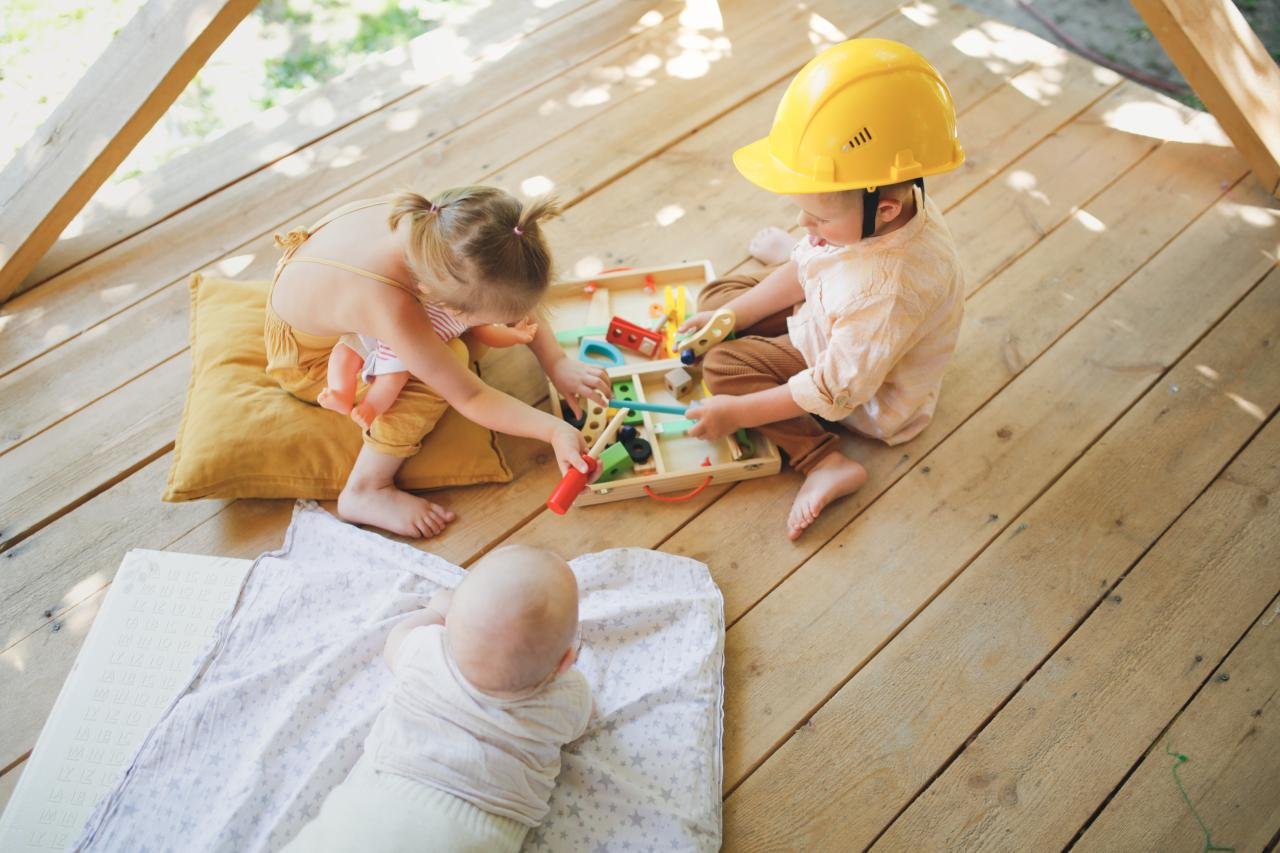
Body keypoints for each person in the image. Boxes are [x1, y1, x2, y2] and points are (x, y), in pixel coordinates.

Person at [680, 39, 967, 540]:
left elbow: (834, 388)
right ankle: (756, 308)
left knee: (723, 368)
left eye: (818, 218)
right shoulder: (892, 203)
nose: (802, 223)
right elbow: (814, 260)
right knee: (717, 302)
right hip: (846, 312)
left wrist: (738, 412)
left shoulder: (883, 293)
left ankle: (824, 461)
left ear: (885, 211)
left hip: (861, 386)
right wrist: (732, 318)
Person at [266, 186, 611, 538]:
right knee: (442, 367)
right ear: (437, 299)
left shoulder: (446, 230)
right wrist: (554, 430)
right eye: (497, 319)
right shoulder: (392, 304)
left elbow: (507, 287)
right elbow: (470, 397)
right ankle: (366, 488)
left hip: (329, 299)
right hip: (311, 359)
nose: (511, 323)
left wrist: (556, 362)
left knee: (479, 319)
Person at [281, 544, 592, 853]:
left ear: (451, 621)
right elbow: (578, 725)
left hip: (372, 806)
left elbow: (395, 643)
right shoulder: (567, 697)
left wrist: (435, 612)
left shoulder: (425, 652)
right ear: (566, 661)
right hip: (478, 835)